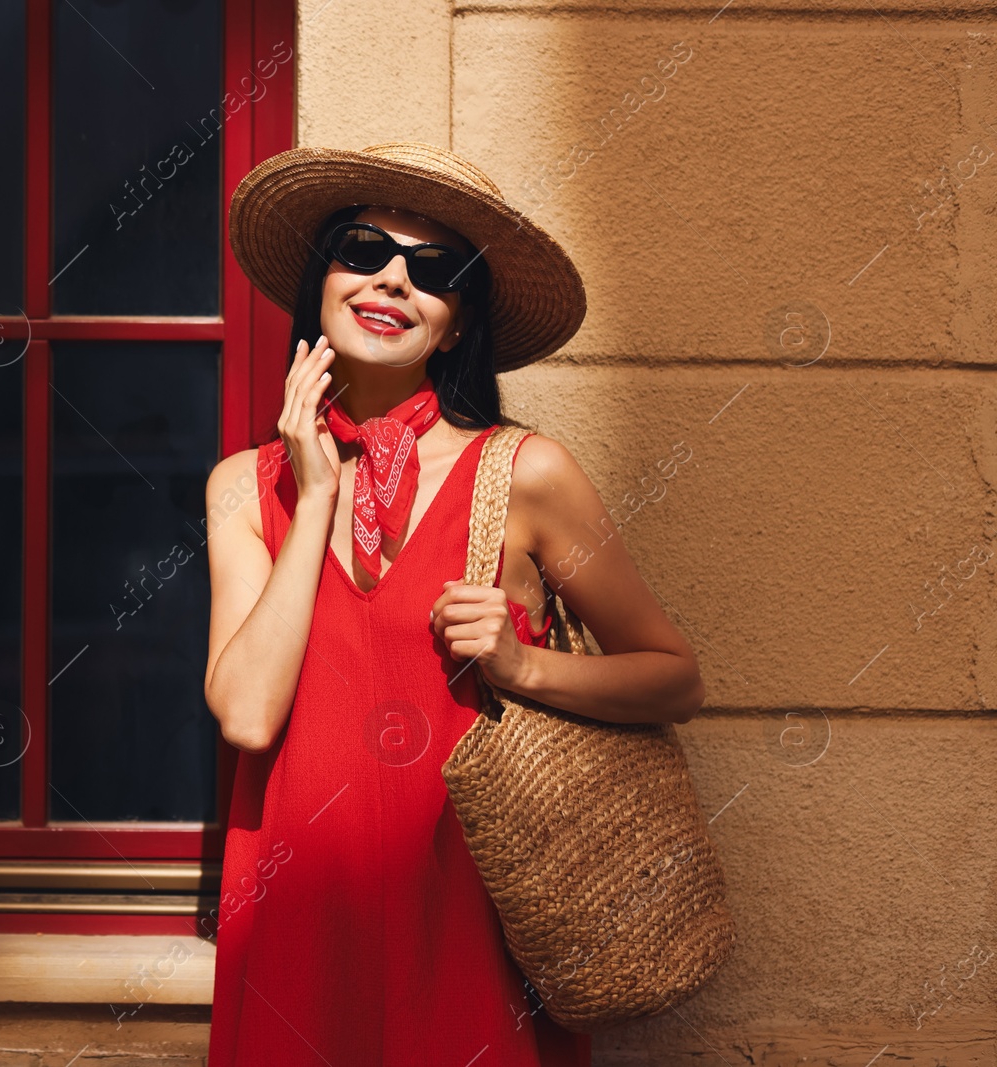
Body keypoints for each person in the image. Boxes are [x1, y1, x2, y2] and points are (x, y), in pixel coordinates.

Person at [203, 142, 704, 1065]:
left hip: (471, 931)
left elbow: (674, 677)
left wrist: (523, 664)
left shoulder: (528, 474)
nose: (391, 278)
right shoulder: (247, 486)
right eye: (361, 250)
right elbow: (246, 711)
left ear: (459, 323)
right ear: (321, 284)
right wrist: (314, 497)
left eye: (433, 271)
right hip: (298, 929)